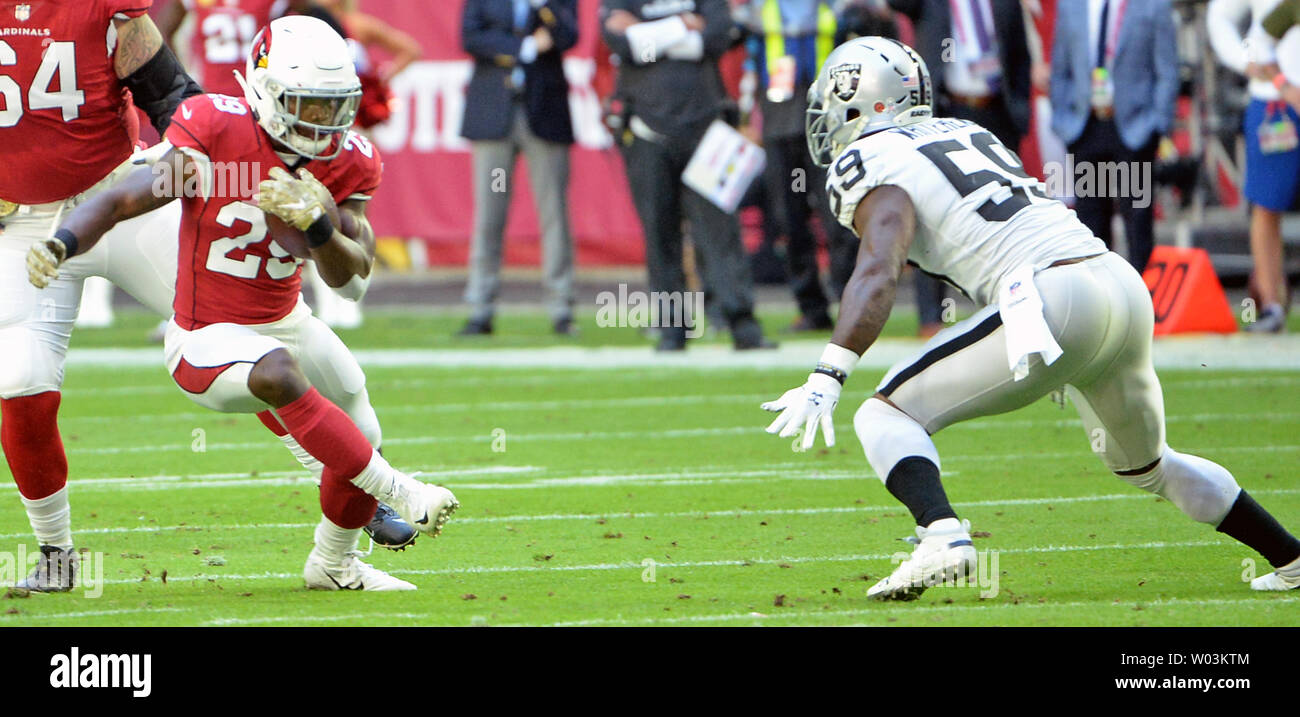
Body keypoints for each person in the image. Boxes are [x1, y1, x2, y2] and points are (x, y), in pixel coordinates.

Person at [763, 37, 1300, 599]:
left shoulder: (870, 159)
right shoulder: (966, 131)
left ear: (863, 101)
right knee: (1150, 466)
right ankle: (1291, 557)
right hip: (1114, 280)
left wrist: (829, 372)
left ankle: (942, 535)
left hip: (1052, 296)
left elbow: (878, 270)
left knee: (883, 417)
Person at [27, 16, 458, 591]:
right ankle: (400, 490)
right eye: (308, 104)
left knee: (361, 423)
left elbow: (352, 283)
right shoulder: (212, 125)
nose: (322, 122)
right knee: (279, 374)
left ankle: (335, 564)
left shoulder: (349, 158)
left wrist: (320, 228)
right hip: (207, 336)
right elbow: (125, 197)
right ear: (269, 92)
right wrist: (63, 241)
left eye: (333, 106)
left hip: (289, 319)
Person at [0, 0, 205, 592]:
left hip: (120, 202)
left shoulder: (102, 8)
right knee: (19, 381)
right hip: (24, 227)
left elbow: (168, 96)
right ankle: (56, 555)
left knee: (226, 337)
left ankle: (356, 490)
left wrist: (204, 157)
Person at [601, 0, 777, 351]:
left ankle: (742, 324)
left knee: (719, 232)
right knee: (660, 232)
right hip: (646, 128)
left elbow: (715, 40)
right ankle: (672, 328)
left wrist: (645, 36)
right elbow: (625, 47)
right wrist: (683, 25)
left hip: (706, 127)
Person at [887, 0, 1032, 337]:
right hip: (947, 109)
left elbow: (1019, 53)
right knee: (931, 208)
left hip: (996, 112)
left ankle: (1004, 304)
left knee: (1002, 210)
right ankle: (931, 315)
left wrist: (1020, 111)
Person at [734, 0, 860, 332]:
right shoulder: (760, 10)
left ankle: (853, 305)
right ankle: (811, 307)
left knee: (840, 217)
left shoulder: (838, 7)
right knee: (790, 221)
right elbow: (746, 58)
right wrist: (747, 117)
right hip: (780, 126)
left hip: (828, 127)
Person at [459, 0, 580, 337]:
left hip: (544, 116)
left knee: (553, 212)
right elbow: (470, 37)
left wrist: (544, 8)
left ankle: (562, 307)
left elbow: (568, 36)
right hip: (495, 118)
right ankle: (480, 307)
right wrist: (523, 47)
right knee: (490, 213)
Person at [1050, 0, 1178, 273]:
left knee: (1138, 223)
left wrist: (1157, 124)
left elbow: (1167, 70)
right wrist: (1063, 118)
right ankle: (1101, 304)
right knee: (1090, 225)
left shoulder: (1152, 6)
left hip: (1134, 129)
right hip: (1086, 127)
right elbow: (1061, 67)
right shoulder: (1071, 6)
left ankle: (1145, 304)